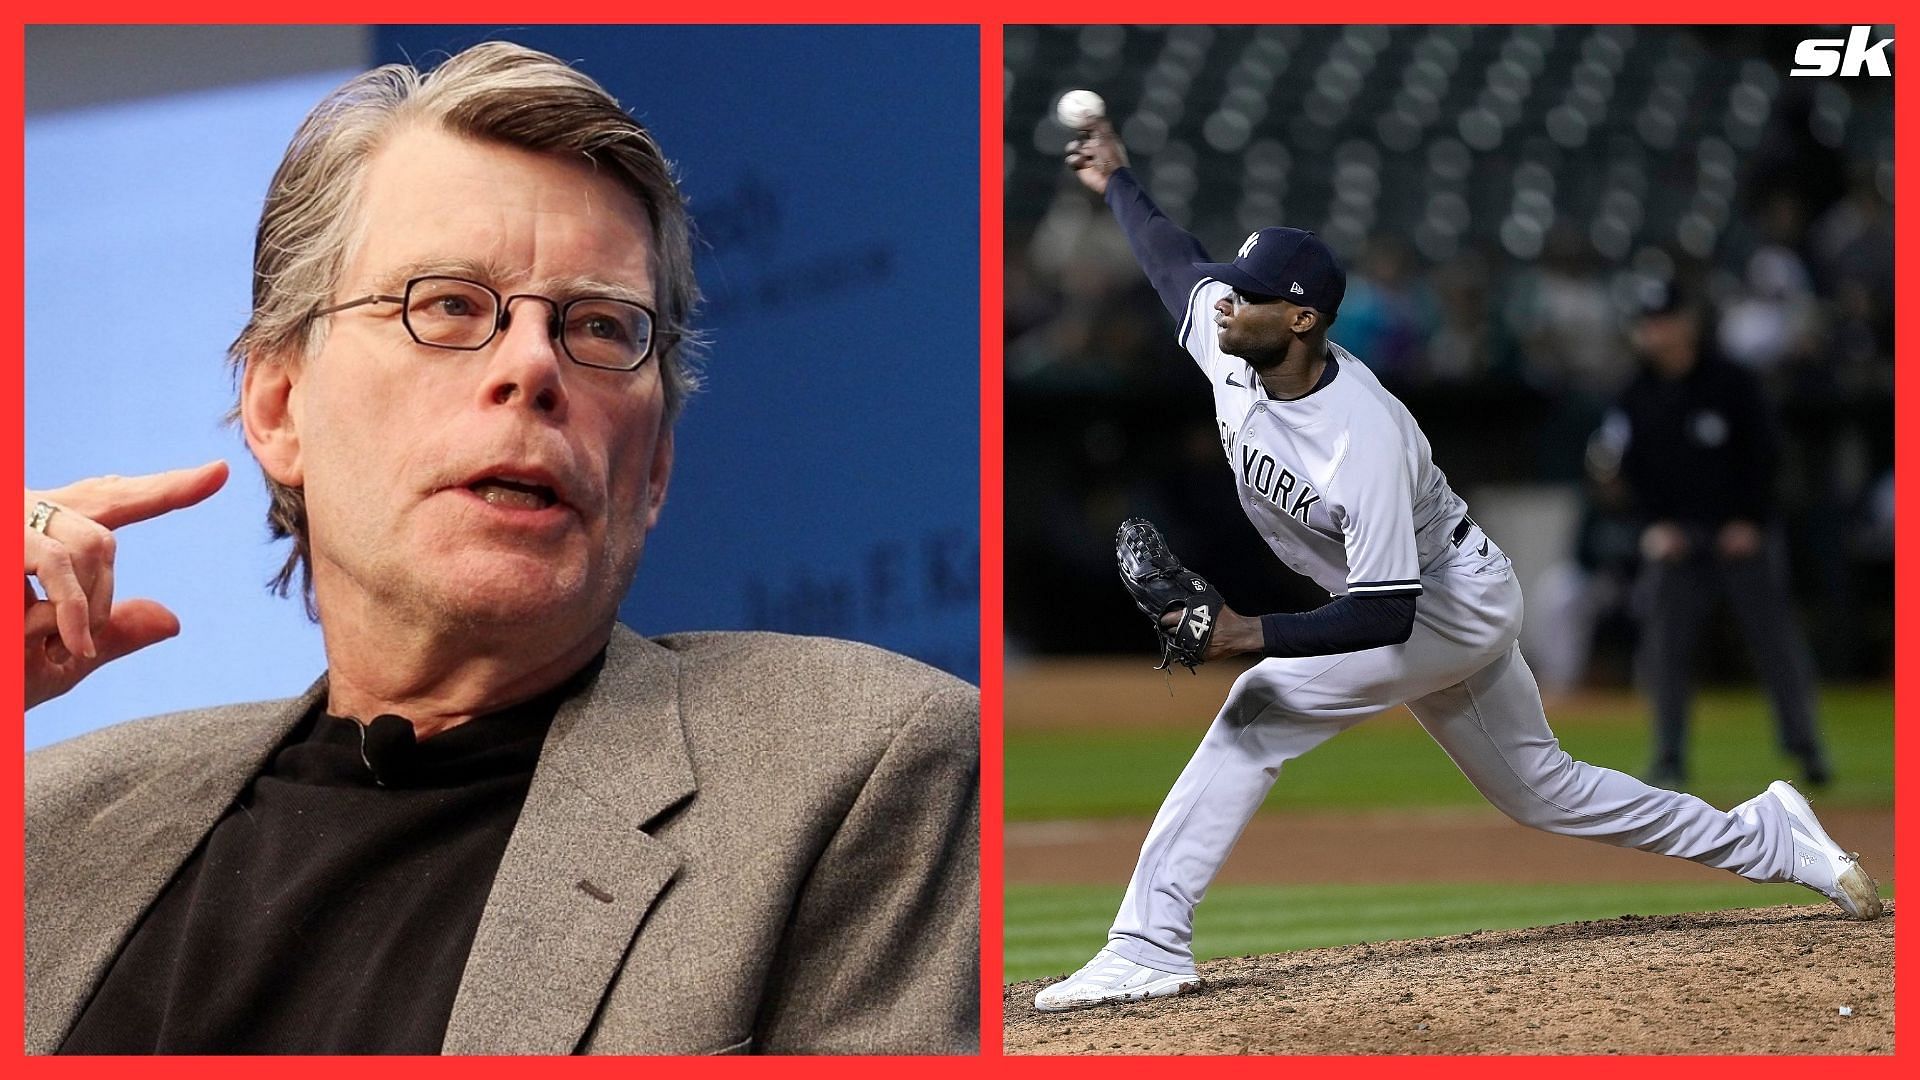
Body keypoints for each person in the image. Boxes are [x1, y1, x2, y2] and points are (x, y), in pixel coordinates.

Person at [24, 43, 978, 1055]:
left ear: (653, 462)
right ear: (278, 405)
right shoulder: (46, 824)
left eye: (601, 328)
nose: (531, 366)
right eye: (446, 306)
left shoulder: (859, 769)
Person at [1031, 113, 1880, 1013]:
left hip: (1447, 604)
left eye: (1249, 295)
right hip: (1436, 597)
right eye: (1231, 292)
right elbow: (1172, 260)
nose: (1226, 303)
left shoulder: (1361, 436)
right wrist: (1118, 178)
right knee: (1542, 792)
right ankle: (1770, 835)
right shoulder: (1234, 340)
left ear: (1305, 319)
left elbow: (1387, 611)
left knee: (1259, 706)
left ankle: (1149, 942)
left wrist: (1246, 633)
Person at [1590, 279, 1829, 788]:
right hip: (1677, 540)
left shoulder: (1732, 382)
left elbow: (1768, 456)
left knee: (1775, 646)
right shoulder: (1635, 393)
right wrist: (1652, 525)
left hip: (1741, 535)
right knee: (1666, 649)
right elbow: (1619, 471)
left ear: (1687, 323)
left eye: (1663, 321)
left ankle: (1806, 749)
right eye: (1646, 324)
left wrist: (1751, 520)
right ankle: (1669, 754)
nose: (1654, 333)